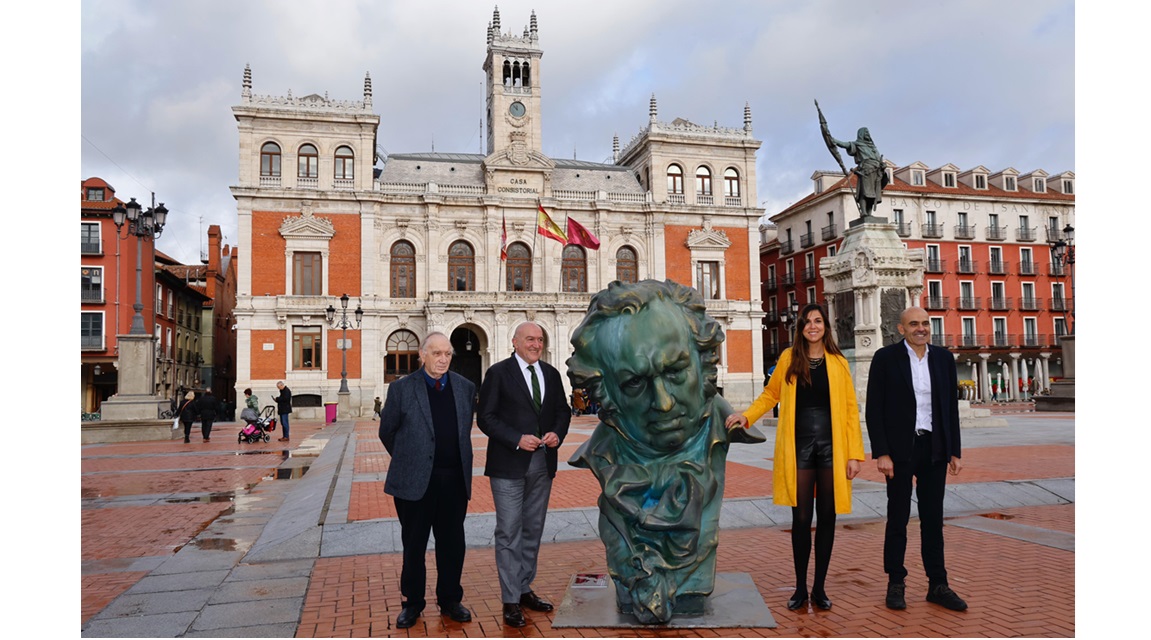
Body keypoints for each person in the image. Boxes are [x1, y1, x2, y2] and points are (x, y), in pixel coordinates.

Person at [567, 279, 764, 624]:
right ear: (606, 391)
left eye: (674, 371)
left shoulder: (724, 426)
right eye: (634, 383)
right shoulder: (604, 454)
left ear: (703, 362)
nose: (664, 402)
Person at [726, 303, 864, 612]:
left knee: (827, 517)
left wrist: (855, 454)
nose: (812, 326)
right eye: (807, 322)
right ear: (800, 328)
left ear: (825, 326)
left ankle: (819, 588)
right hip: (799, 447)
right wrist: (746, 416)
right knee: (801, 518)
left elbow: (850, 411)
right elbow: (770, 395)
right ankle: (800, 587)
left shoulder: (839, 363)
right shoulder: (789, 359)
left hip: (832, 447)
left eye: (817, 321)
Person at [866, 307, 967, 612]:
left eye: (925, 323)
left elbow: (950, 408)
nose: (921, 328)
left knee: (933, 520)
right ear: (901, 328)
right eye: (914, 324)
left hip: (934, 448)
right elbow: (874, 409)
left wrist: (955, 450)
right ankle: (896, 582)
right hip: (899, 451)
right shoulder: (885, 358)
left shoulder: (943, 358)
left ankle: (938, 584)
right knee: (897, 518)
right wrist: (881, 452)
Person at [379, 332, 476, 628]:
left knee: (452, 544)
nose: (443, 359)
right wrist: (411, 458)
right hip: (414, 482)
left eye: (447, 354)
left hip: (453, 481)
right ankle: (412, 603)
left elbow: (463, 431)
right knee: (414, 545)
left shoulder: (465, 388)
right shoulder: (402, 389)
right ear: (422, 355)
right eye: (436, 353)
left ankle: (450, 600)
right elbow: (387, 431)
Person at [478, 321, 571, 628]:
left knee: (532, 529)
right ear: (515, 342)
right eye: (530, 339)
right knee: (508, 531)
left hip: (542, 463)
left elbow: (563, 411)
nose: (536, 344)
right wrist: (516, 438)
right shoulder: (498, 373)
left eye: (539, 340)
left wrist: (557, 432)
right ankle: (509, 599)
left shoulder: (551, 374)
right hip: (508, 464)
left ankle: (523, 587)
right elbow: (485, 418)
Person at [830, 127, 889, 217]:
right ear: (861, 134)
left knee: (873, 194)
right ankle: (864, 212)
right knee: (864, 192)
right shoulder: (857, 144)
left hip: (876, 172)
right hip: (866, 171)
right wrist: (833, 140)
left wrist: (883, 165)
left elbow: (879, 160)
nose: (867, 134)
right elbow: (845, 144)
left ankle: (869, 213)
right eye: (865, 132)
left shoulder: (873, 147)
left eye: (868, 132)